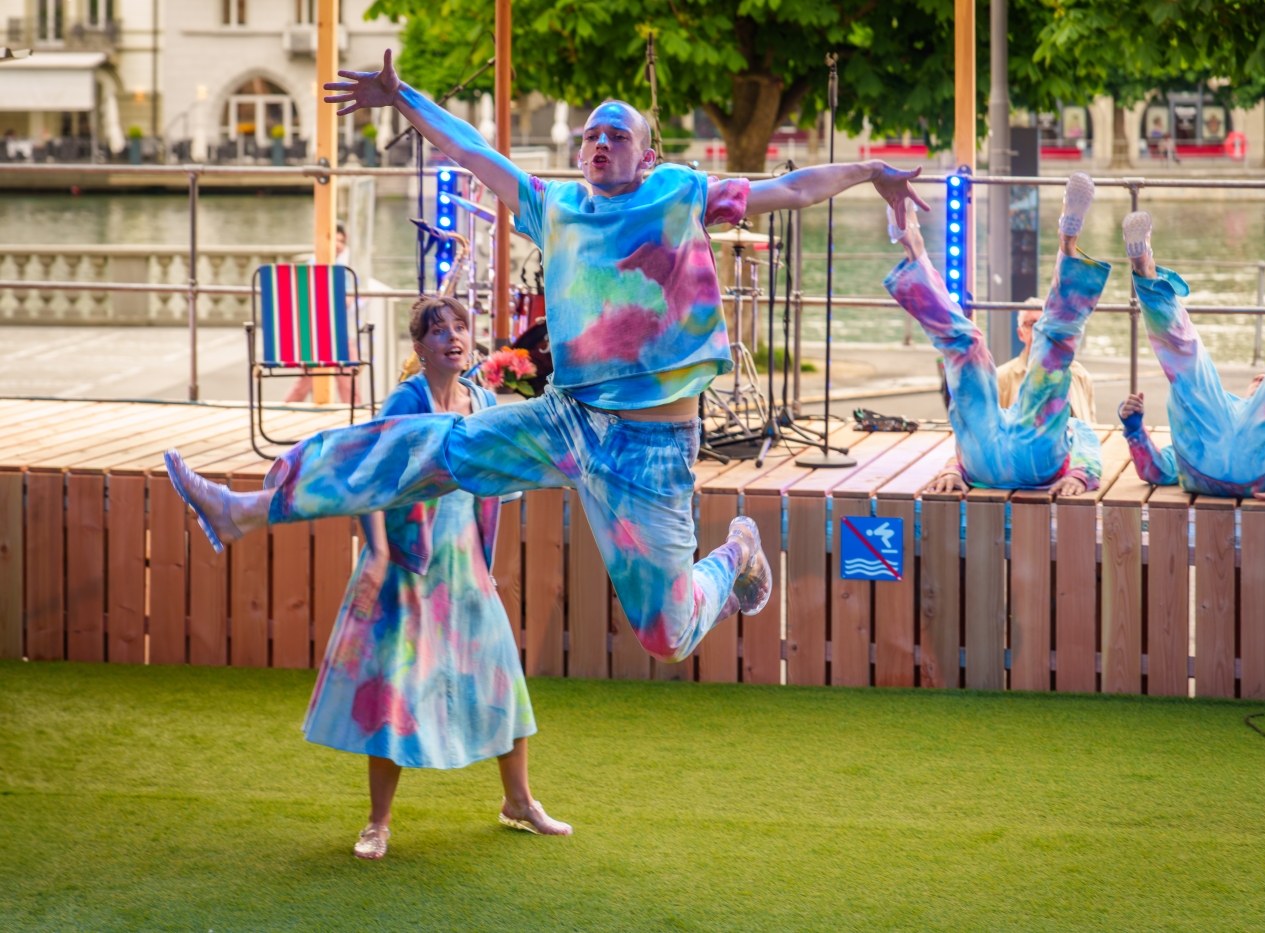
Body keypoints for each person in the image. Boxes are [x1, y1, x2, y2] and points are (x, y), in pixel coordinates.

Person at [163, 48, 930, 665]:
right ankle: (247, 510)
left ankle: (735, 554)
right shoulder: (554, 207)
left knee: (663, 636)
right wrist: (405, 100)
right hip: (567, 419)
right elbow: (472, 151)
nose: (598, 144)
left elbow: (789, 190)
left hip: (653, 447)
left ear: (648, 150)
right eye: (589, 135)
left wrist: (870, 172)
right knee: (421, 446)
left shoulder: (679, 193)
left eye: (615, 134)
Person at [308, 296, 569, 860]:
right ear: (419, 347)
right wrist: (377, 553)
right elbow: (367, 478)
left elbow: (497, 480)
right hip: (409, 561)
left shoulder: (480, 398)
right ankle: (378, 823)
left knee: (500, 674)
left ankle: (519, 802)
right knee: (394, 689)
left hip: (463, 559)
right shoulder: (408, 399)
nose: (453, 336)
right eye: (438, 330)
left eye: (459, 327)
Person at [885, 171, 1108, 496]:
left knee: (968, 346)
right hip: (1033, 461)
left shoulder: (1002, 411)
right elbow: (1088, 439)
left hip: (986, 461)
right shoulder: (1060, 420)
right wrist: (1081, 475)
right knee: (1046, 352)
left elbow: (966, 436)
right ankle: (1067, 246)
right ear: (1019, 331)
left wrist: (952, 469)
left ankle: (915, 250)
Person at [1114, 211, 1265, 504]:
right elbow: (1160, 470)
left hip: (1229, 469)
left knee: (1196, 367)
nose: (1261, 378)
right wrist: (1134, 429)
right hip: (1223, 463)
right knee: (1192, 368)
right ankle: (1145, 268)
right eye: (1262, 380)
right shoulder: (1221, 407)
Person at [284, 222, 363, 405]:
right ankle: (360, 418)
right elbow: (342, 301)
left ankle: (281, 410)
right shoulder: (327, 267)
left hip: (320, 335)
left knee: (308, 383)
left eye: (341, 241)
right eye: (334, 239)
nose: (337, 245)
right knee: (346, 383)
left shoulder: (332, 267)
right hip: (325, 335)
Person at [996, 301, 1097, 422]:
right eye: (1032, 324)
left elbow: (1092, 427)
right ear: (1020, 333)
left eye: (1046, 323)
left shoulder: (1080, 375)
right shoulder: (1001, 378)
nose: (1040, 330)